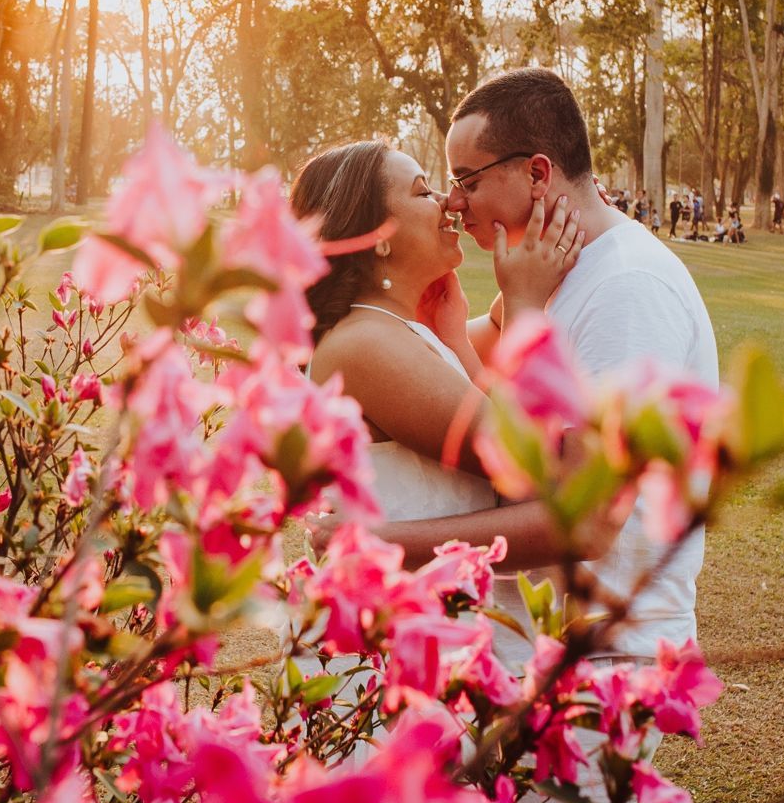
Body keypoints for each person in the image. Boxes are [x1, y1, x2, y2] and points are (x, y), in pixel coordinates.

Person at [375, 66, 718, 665]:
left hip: (600, 664)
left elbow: (585, 525)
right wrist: (452, 325)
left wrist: (384, 547)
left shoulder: (627, 289)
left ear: (537, 172)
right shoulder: (549, 273)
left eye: (468, 180)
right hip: (524, 648)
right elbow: (481, 405)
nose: (454, 201)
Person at [291, 141, 582, 675]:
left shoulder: (395, 333)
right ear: (376, 238)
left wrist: (456, 336)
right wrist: (520, 305)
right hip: (392, 659)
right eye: (423, 190)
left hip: (431, 640)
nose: (450, 201)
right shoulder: (364, 347)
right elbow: (533, 462)